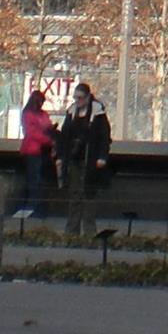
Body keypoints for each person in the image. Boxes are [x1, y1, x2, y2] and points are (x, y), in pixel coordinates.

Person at [57, 81, 112, 236]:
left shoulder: (98, 113)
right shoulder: (72, 112)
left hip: (91, 160)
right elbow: (64, 136)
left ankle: (89, 231)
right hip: (74, 159)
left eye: (81, 98)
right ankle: (71, 231)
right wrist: (61, 156)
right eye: (76, 97)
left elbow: (104, 136)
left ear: (88, 97)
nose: (78, 101)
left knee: (89, 194)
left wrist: (102, 156)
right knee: (74, 194)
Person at [16, 85, 56, 220]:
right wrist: (49, 140)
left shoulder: (43, 114)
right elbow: (32, 133)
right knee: (34, 180)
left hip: (44, 152)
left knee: (39, 181)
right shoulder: (28, 114)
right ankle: (32, 207)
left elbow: (48, 126)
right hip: (33, 151)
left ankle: (37, 207)